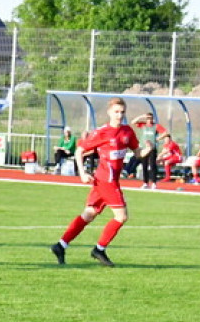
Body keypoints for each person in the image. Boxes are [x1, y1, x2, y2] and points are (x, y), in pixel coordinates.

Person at [50, 97, 140, 267]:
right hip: (106, 180)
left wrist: (147, 152)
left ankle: (60, 245)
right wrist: (82, 173)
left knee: (89, 214)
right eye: (116, 112)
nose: (119, 115)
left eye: (122, 112)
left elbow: (137, 152)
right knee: (121, 217)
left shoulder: (128, 131)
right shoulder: (102, 132)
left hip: (108, 180)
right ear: (109, 112)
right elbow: (79, 151)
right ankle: (99, 249)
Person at [129, 112, 167, 189]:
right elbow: (133, 122)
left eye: (150, 118)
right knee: (144, 166)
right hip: (143, 148)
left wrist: (157, 139)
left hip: (152, 148)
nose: (149, 120)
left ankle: (153, 182)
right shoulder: (143, 125)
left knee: (152, 165)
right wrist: (142, 116)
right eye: (148, 118)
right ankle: (145, 182)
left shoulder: (156, 126)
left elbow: (165, 132)